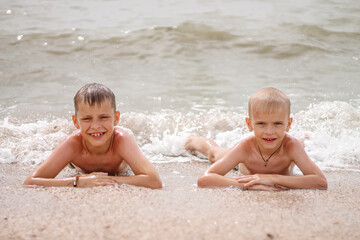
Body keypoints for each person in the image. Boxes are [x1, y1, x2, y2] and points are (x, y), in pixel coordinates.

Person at [185, 87, 327, 190]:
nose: (269, 132)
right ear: (250, 124)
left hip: (288, 144)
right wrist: (250, 184)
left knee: (297, 144)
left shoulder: (292, 147)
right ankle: (194, 140)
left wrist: (272, 179)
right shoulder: (245, 147)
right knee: (214, 154)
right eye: (261, 124)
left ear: (288, 124)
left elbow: (320, 181)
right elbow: (204, 179)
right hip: (242, 163)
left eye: (278, 124)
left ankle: (303, 139)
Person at [24, 83, 162, 189]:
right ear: (76, 121)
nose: (95, 126)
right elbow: (30, 182)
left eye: (103, 117)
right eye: (87, 119)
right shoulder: (73, 144)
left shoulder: (121, 140)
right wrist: (77, 182)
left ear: (116, 118)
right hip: (76, 166)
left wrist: (101, 181)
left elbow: (154, 181)